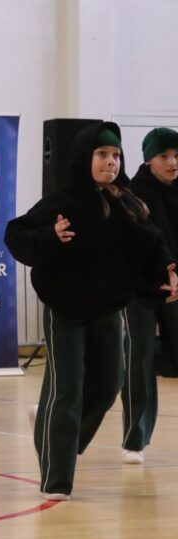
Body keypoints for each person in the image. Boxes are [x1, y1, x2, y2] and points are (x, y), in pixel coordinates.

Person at [5, 122, 177, 500]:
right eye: (102, 154)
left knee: (108, 384)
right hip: (64, 309)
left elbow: (152, 244)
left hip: (106, 309)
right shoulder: (63, 201)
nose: (111, 162)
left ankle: (51, 432)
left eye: (116, 155)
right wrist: (50, 237)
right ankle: (57, 480)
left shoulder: (127, 203)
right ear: (86, 157)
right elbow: (16, 234)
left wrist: (167, 271)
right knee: (68, 390)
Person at [118, 127, 178, 464]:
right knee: (139, 356)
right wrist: (166, 271)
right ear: (148, 160)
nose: (172, 163)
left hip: (175, 286)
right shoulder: (133, 194)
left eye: (177, 156)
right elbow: (145, 240)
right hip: (140, 287)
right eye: (164, 156)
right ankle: (135, 438)